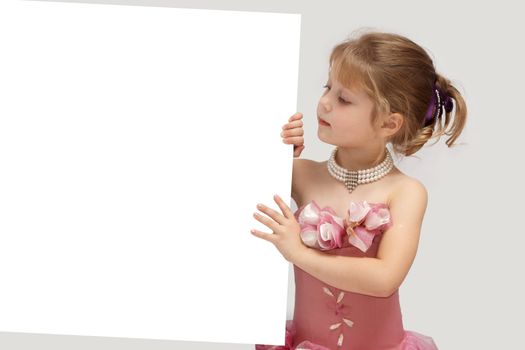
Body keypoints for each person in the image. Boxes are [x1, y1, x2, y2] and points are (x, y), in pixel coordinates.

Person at [250, 30, 467, 350]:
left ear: (389, 124)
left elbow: (384, 278)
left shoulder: (405, 193)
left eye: (343, 98)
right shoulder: (302, 174)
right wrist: (276, 152)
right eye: (327, 87)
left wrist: (298, 253)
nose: (323, 102)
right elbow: (231, 186)